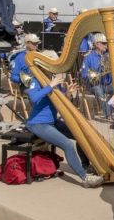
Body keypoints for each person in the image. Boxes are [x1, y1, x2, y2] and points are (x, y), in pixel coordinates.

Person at [25, 50, 104, 188]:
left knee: (81, 135)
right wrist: (51, 85)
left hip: (52, 122)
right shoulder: (36, 80)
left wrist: (68, 94)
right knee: (67, 144)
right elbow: (34, 98)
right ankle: (85, 178)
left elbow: (58, 101)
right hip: (38, 124)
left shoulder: (54, 80)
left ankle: (86, 166)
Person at [80, 33, 112, 119]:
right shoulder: (89, 57)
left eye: (106, 43)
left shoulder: (108, 56)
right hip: (93, 85)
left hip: (107, 84)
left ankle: (113, 110)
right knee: (98, 89)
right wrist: (94, 75)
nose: (106, 45)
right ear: (97, 44)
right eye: (104, 43)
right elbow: (84, 74)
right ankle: (108, 115)